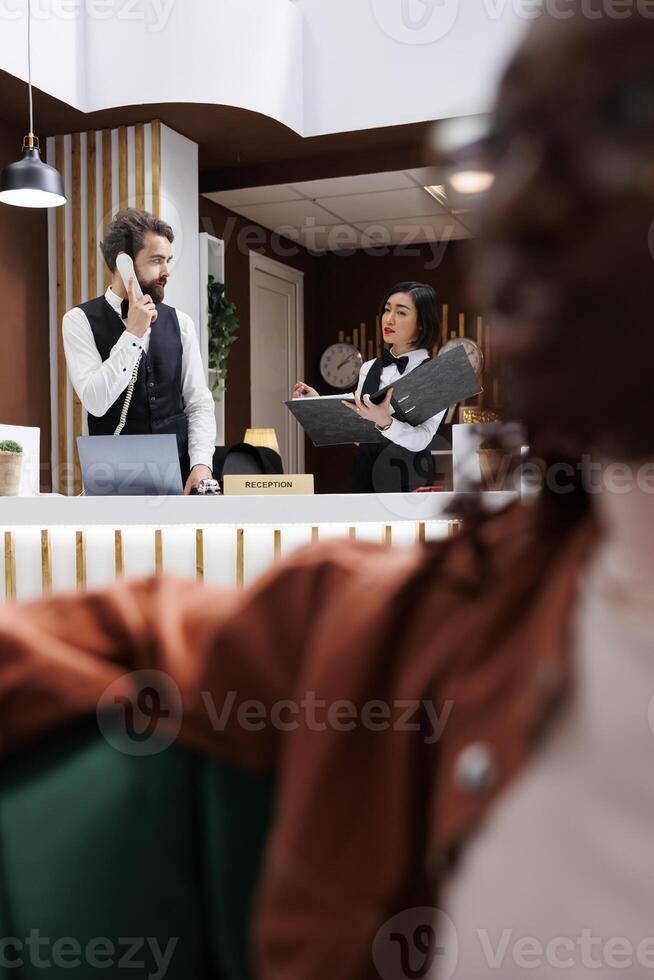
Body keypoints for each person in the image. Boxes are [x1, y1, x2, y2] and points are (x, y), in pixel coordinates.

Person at [2, 5, 654, 980]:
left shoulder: (445, 364)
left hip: (381, 467)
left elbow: (322, 418)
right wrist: (328, 402)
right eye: (509, 147)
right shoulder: (423, 613)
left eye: (613, 123)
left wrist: (223, 451)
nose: (528, 199)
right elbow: (105, 432)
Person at [62, 208, 216, 494]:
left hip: (180, 483)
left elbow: (198, 403)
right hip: (112, 484)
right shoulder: (78, 321)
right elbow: (95, 401)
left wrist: (202, 465)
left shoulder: (181, 324)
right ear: (125, 264)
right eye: (157, 260)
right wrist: (132, 334)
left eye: (168, 260)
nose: (167, 271)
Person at [293, 282, 445, 492]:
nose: (389, 319)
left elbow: (423, 439)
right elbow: (360, 426)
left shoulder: (437, 374)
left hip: (409, 476)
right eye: (387, 309)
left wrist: (386, 422)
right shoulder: (368, 368)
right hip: (365, 474)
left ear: (422, 323)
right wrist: (317, 402)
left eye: (401, 312)